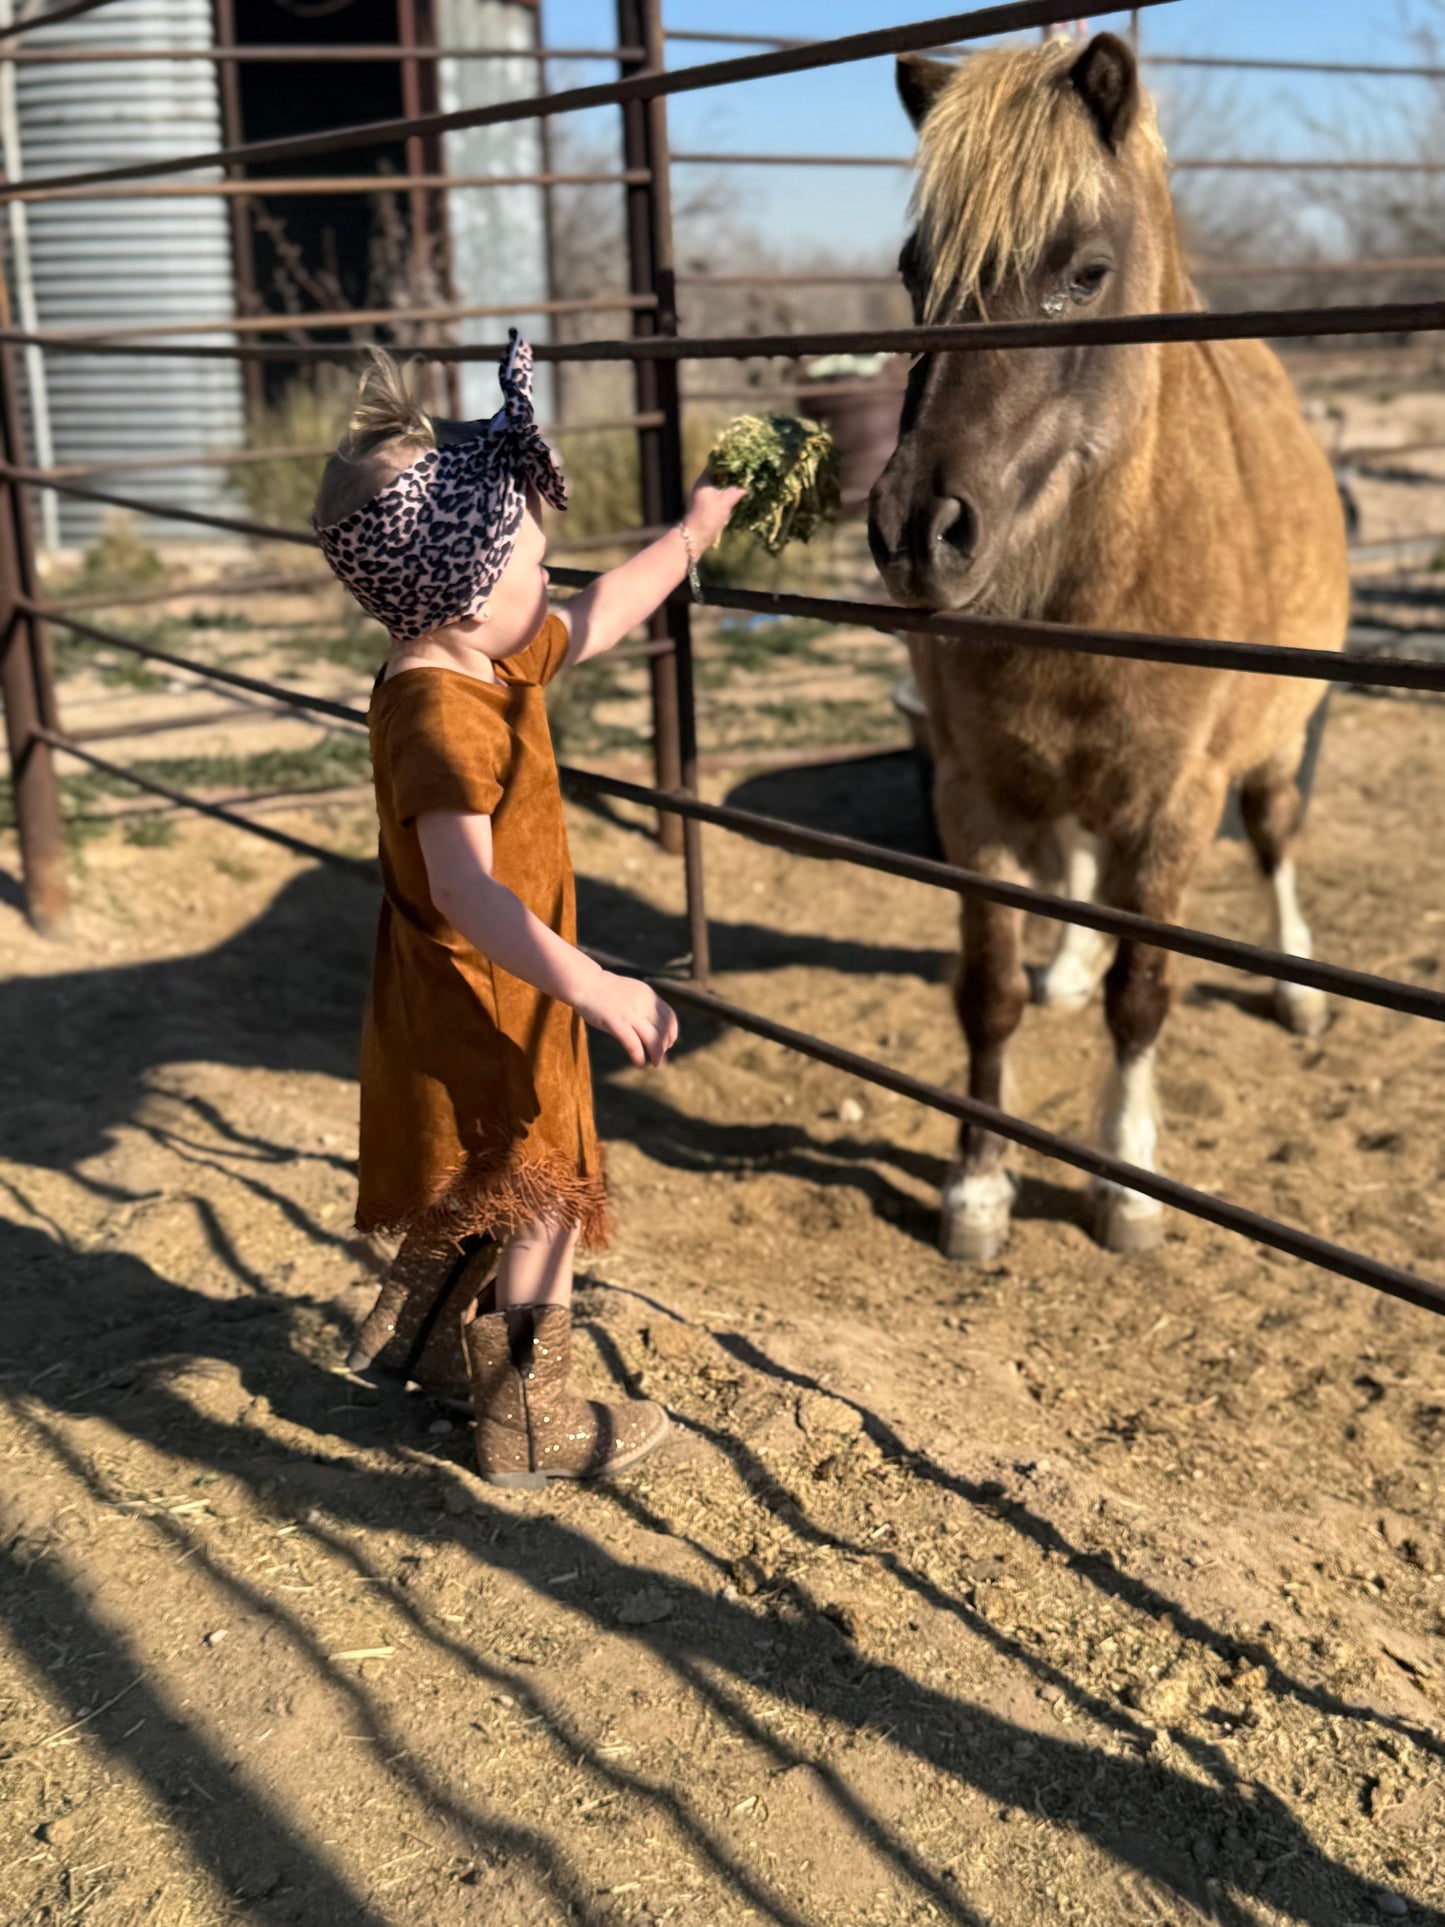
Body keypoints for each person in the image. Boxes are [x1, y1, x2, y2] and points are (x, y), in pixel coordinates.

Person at [311, 333, 742, 1488]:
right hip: (493, 987)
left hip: (477, 981)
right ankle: (528, 1417)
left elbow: (599, 613)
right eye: (530, 568)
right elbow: (463, 888)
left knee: (497, 1171)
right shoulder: (440, 718)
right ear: (459, 587)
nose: (546, 586)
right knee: (545, 1183)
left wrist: (693, 534)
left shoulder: (476, 660)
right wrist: (592, 982)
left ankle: (427, 1340)